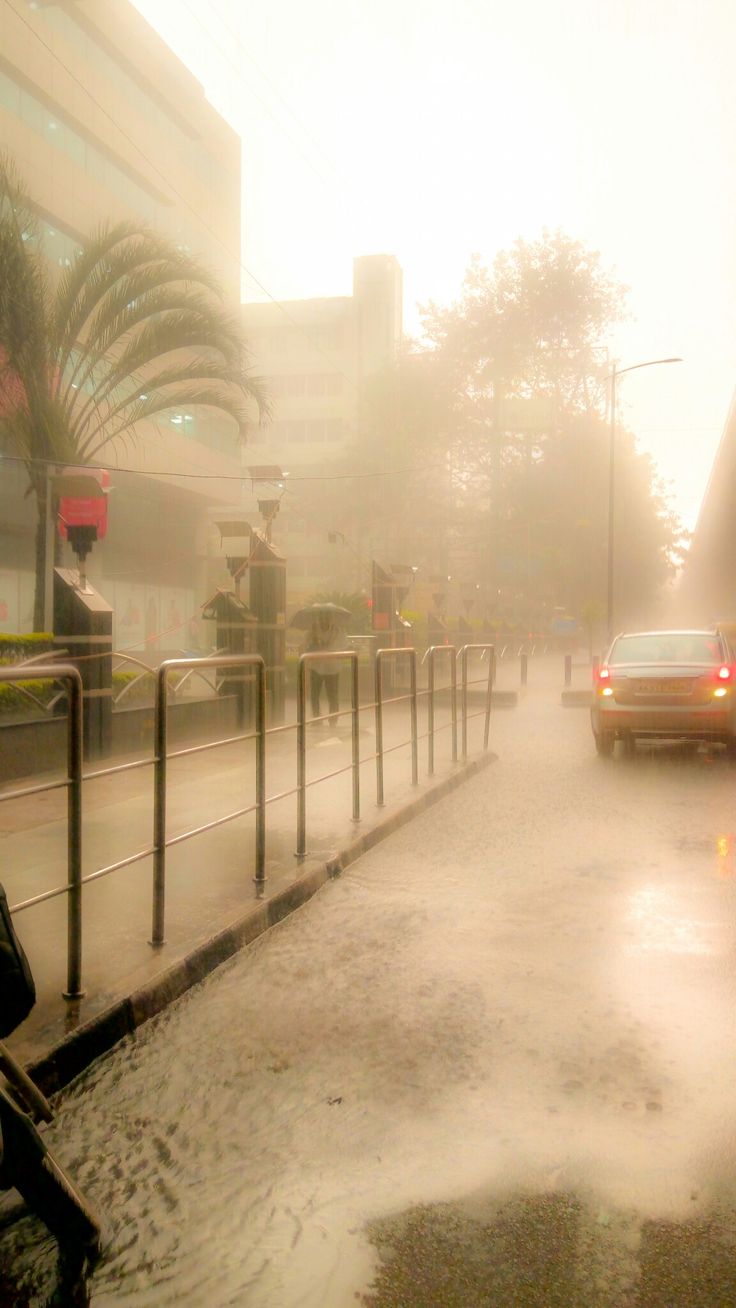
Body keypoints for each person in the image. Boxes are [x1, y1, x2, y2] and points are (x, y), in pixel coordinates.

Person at [304, 613, 344, 728]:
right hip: (316, 667)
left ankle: (333, 719)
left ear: (330, 619)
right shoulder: (312, 631)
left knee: (332, 695)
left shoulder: (338, 632)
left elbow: (342, 646)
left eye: (326, 618)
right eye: (321, 618)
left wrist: (329, 645)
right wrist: (313, 638)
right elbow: (306, 647)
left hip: (332, 667)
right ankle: (317, 718)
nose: (323, 621)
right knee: (314, 694)